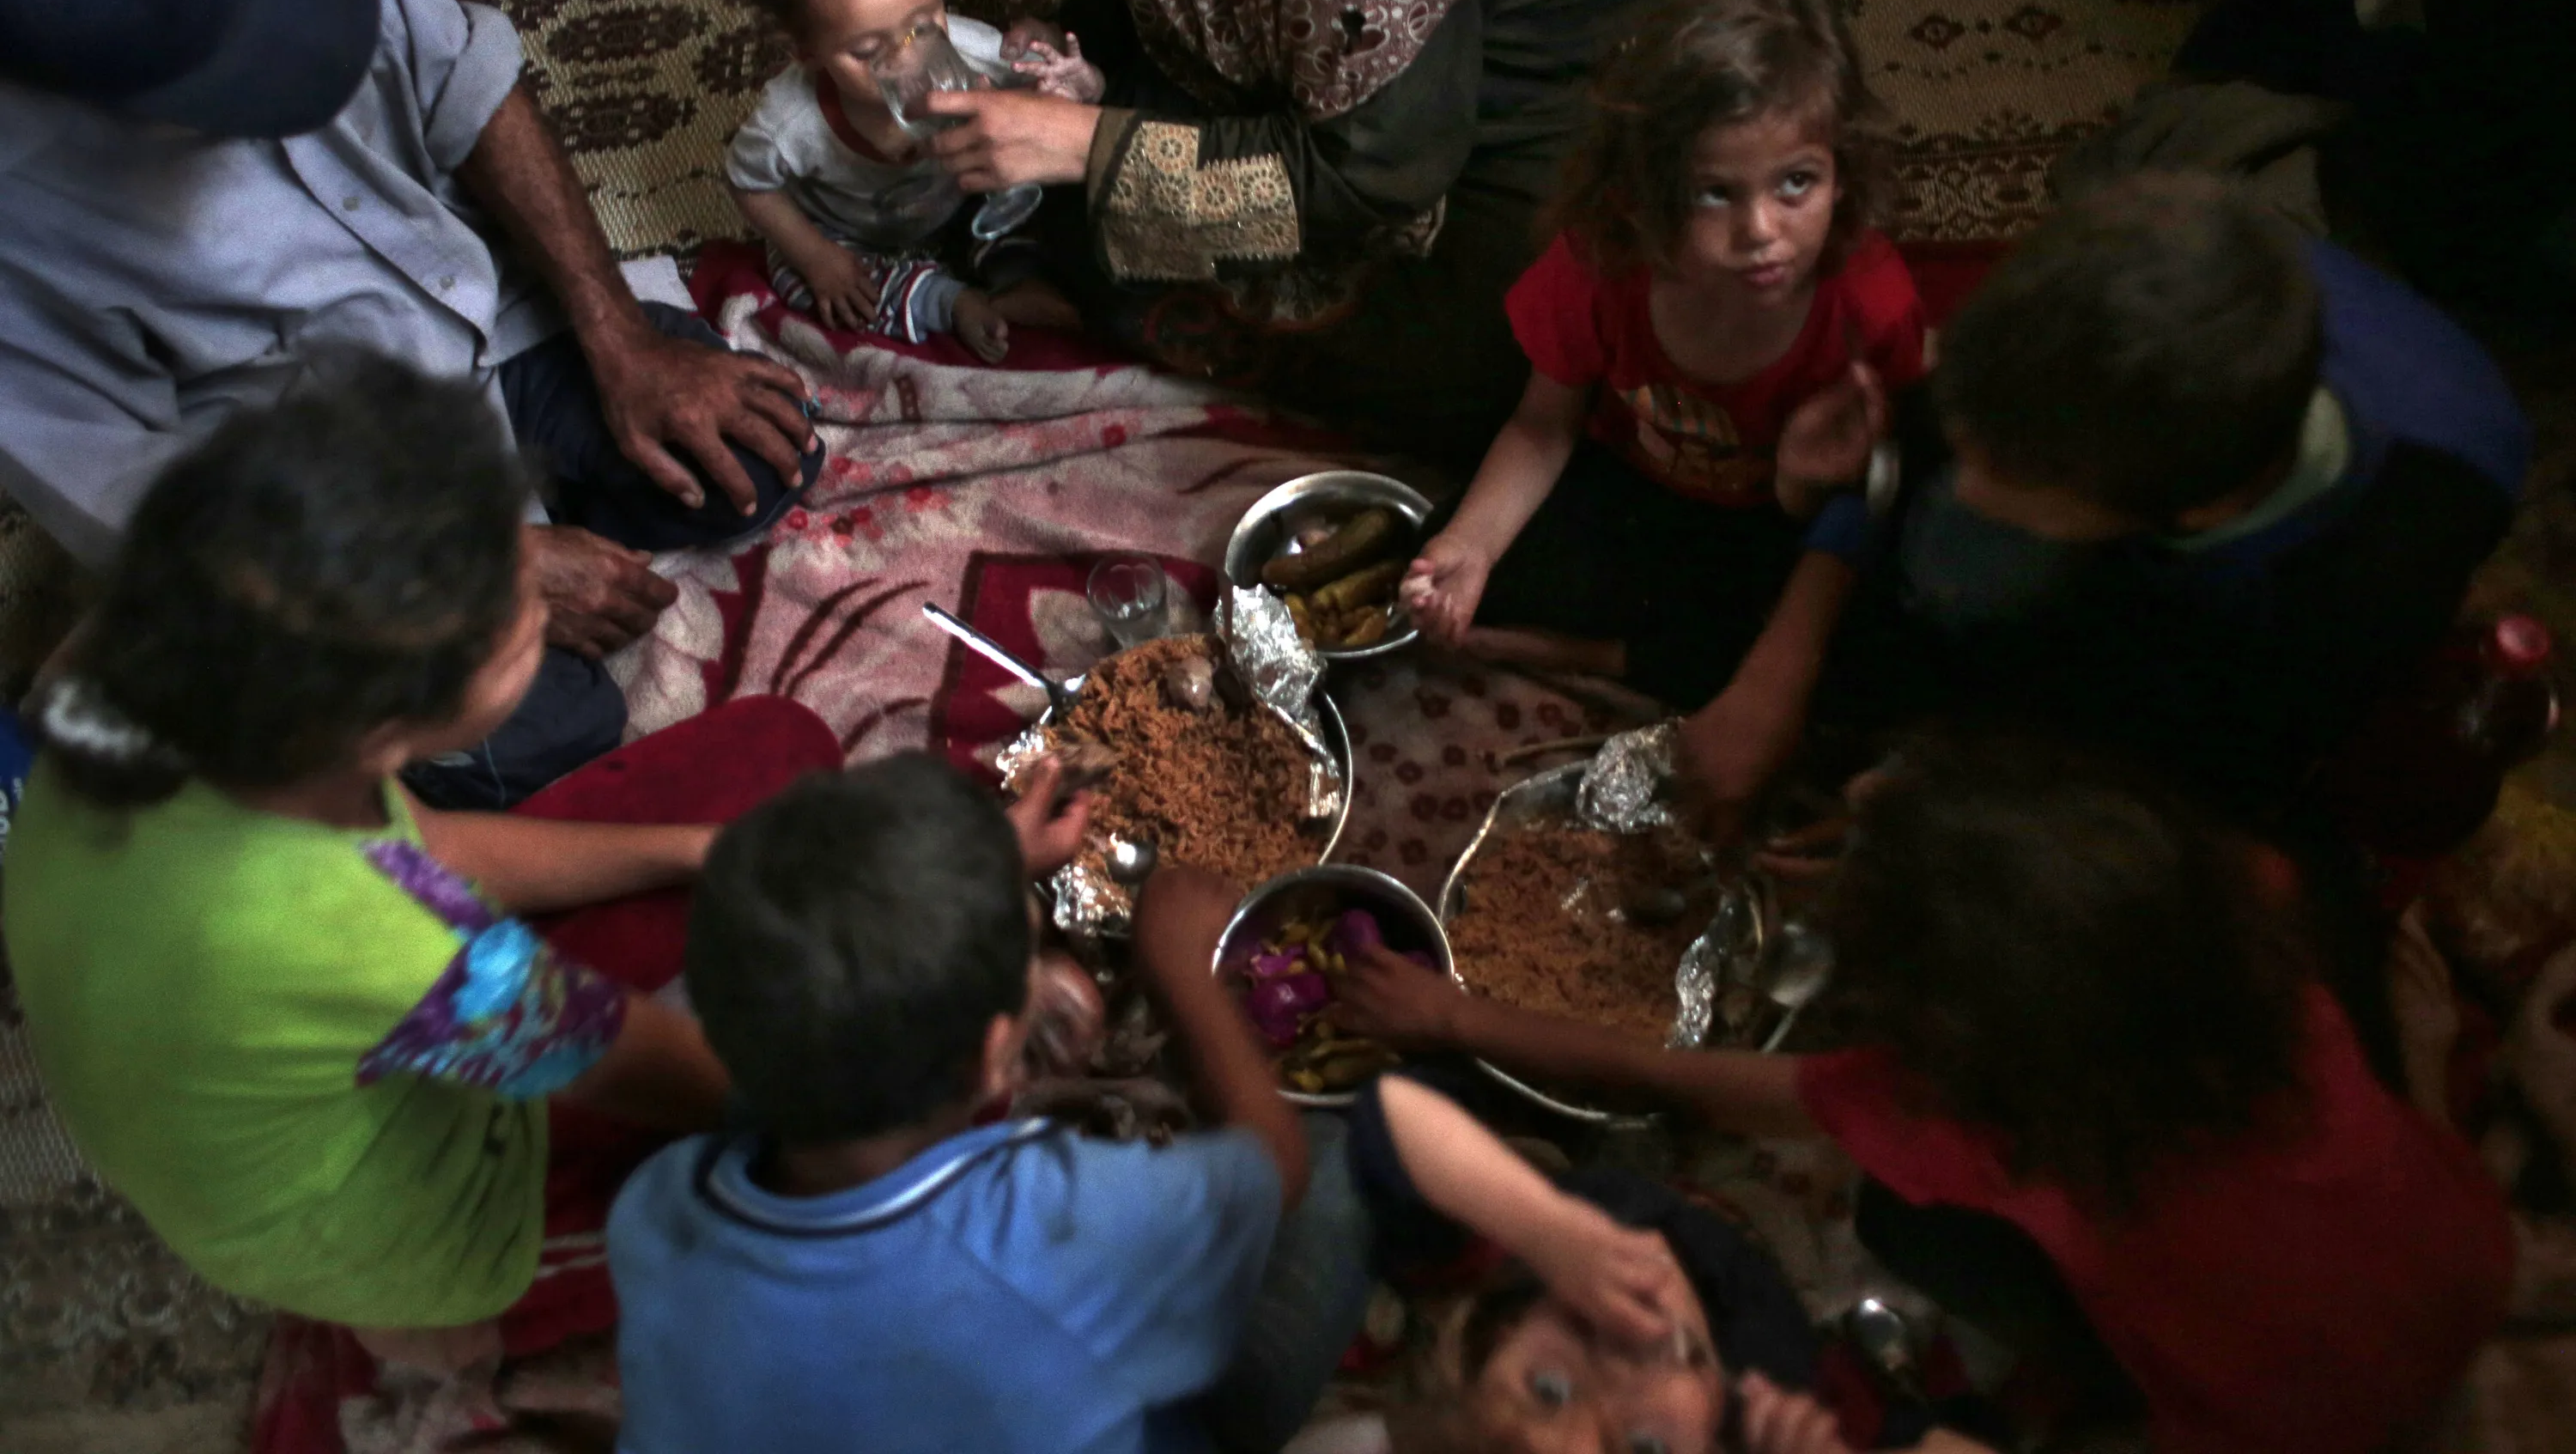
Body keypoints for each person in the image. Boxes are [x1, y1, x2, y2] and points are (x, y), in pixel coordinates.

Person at [0, 0, 824, 808]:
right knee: (547, 730)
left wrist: (620, 336)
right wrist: (476, 566)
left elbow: (457, 70)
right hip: (298, 479)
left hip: (482, 310)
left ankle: (538, 498)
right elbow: (136, 496)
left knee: (755, 456)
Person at [1337, 732, 2515, 1454]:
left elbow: (1697, 1082)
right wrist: (1902, 827)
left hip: (2270, 1415)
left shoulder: (1977, 1125)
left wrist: (1458, 1019)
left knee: (1901, 1219)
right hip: (2459, 1253)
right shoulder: (2249, 898)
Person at [1, 356, 747, 1374]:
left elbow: (427, 845)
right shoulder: (382, 929)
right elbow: (648, 1068)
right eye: (517, 615)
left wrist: (691, 849)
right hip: (394, 1229)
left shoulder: (113, 685)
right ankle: (456, 1326)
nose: (539, 589)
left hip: (212, 1122)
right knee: (747, 1196)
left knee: (756, 767)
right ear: (389, 727)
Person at [1669, 170, 2530, 840]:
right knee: (1941, 557)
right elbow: (1914, 444)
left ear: (2197, 511)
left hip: (2232, 646)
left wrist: (1958, 795)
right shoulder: (2099, 311)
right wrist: (1778, 668)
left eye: (2016, 489)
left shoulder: (2371, 574)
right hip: (2161, 540)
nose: (1961, 489)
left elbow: (2203, 776)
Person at [886, 0, 1674, 462]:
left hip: (1537, 118)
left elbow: (1378, 172)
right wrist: (1073, 63)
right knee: (1083, 104)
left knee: (1482, 366)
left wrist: (1083, 146)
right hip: (1374, 44)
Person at [609, 761, 1315, 1454]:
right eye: (1031, 958)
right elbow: (1276, 1165)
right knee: (1335, 1173)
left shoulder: (654, 1212)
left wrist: (967, 879)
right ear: (994, 1059)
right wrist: (1183, 969)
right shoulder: (1059, 1221)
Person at [1401, 0, 1924, 709]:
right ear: (1640, 194)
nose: (1761, 231)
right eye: (1716, 193)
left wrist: (1800, 481)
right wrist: (1472, 545)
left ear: (1842, 175)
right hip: (1631, 491)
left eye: (1796, 183)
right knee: (1443, 557)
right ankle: (1643, 659)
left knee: (1868, 644)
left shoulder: (1870, 308)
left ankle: (1595, 656)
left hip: (1767, 521)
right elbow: (1543, 427)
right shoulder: (1599, 267)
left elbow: (1861, 511)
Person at [1276, 1070, 1841, 1454]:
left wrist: (1545, 1225)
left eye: (1548, 1388)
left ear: (1502, 1337)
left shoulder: (1509, 1260)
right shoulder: (1777, 1371)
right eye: (1644, 1448)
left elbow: (1394, 1108)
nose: (1620, 1365)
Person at [728, 0, 1093, 362]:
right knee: (808, 286)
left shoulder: (972, 51)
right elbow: (747, 183)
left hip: (958, 201)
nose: (906, 60)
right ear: (807, 52)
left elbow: (1060, 100)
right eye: (866, 50)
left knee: (1044, 184)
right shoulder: (789, 122)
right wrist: (816, 257)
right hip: (845, 232)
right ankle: (948, 302)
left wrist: (1072, 79)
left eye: (923, 25)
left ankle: (1018, 280)